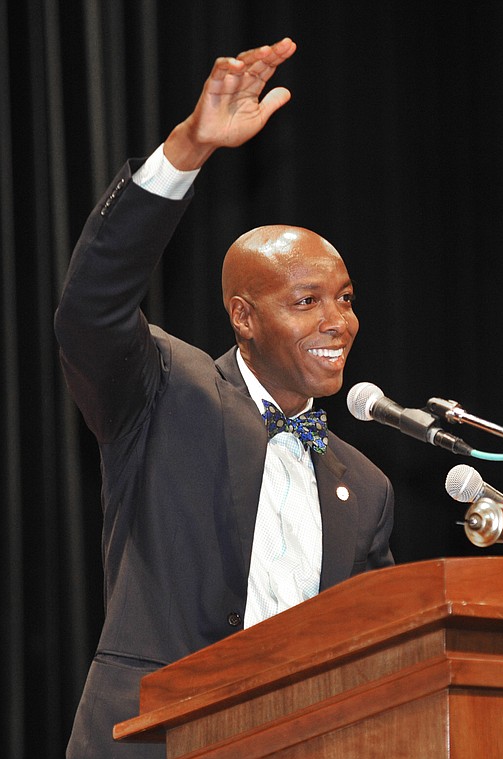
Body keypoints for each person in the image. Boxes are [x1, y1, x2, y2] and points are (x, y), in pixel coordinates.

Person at [54, 38, 394, 758]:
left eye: (345, 298)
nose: (338, 321)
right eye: (307, 301)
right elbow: (92, 304)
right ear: (244, 316)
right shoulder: (168, 393)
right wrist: (187, 150)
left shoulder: (365, 487)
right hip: (157, 739)